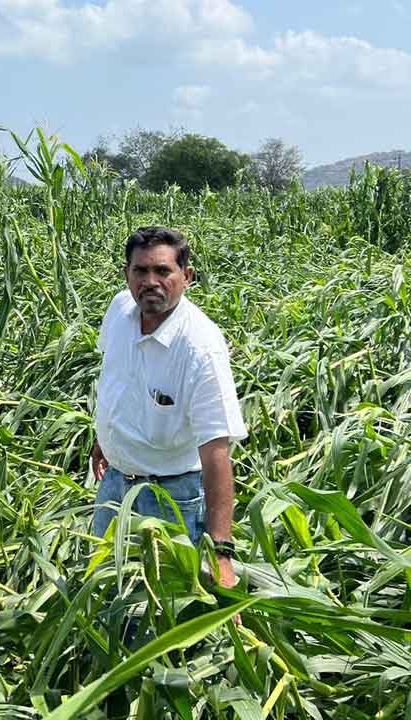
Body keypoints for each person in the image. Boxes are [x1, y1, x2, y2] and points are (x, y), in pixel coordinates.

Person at [89, 226, 246, 588]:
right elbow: (117, 378)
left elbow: (217, 455)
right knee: (105, 589)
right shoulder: (119, 310)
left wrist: (221, 553)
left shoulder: (199, 348)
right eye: (140, 271)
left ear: (186, 276)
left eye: (163, 271)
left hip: (170, 496)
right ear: (126, 274)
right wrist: (104, 439)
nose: (150, 282)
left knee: (164, 607)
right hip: (114, 483)